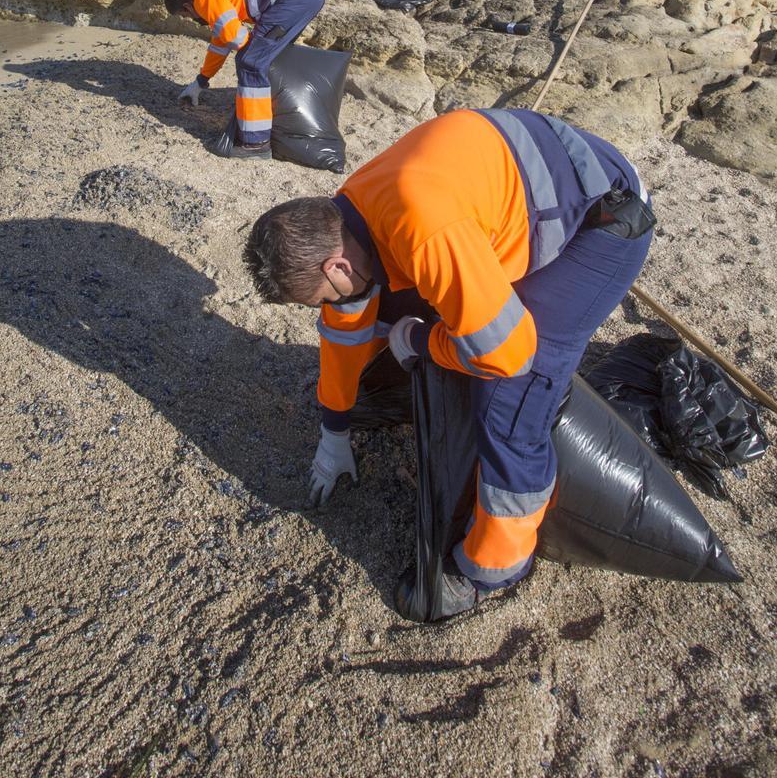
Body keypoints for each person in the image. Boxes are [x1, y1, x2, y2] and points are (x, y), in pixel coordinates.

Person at [242, 108, 655, 619]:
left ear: (336, 264)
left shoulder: (420, 226)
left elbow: (509, 352)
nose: (326, 306)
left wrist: (423, 342)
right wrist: (335, 428)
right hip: (521, 186)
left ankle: (493, 567)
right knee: (393, 307)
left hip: (602, 217)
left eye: (319, 296)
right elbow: (347, 327)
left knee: (509, 399)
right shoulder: (345, 218)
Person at [164, 0, 326, 160]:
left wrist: (254, 51)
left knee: (250, 62)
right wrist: (201, 80)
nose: (194, 21)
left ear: (187, 7)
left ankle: (255, 144)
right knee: (266, 57)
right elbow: (220, 42)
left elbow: (235, 39)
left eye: (187, 16)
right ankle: (277, 117)